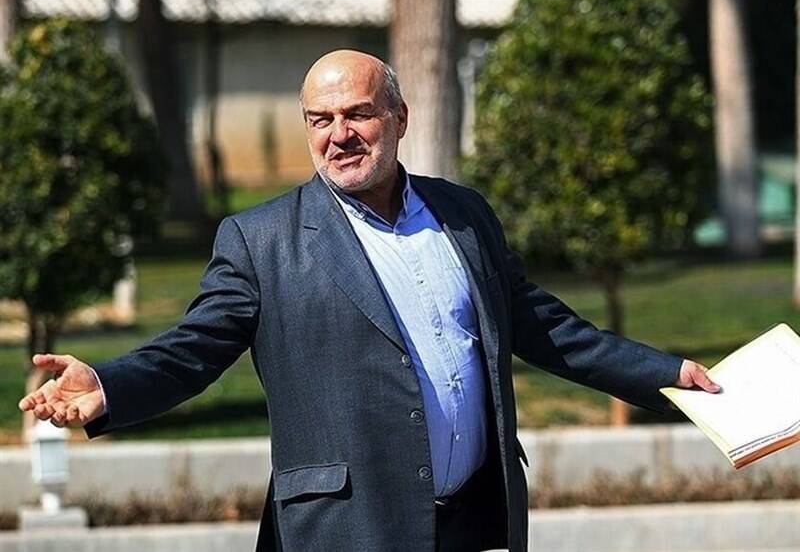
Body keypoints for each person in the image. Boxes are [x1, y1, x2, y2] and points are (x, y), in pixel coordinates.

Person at [19, 50, 719, 552]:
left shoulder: (464, 215)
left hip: (471, 522)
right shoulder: (261, 240)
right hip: (347, 529)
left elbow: (543, 325)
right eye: (320, 119)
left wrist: (665, 373)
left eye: (358, 113)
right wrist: (108, 386)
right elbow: (191, 351)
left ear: (400, 117)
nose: (339, 134)